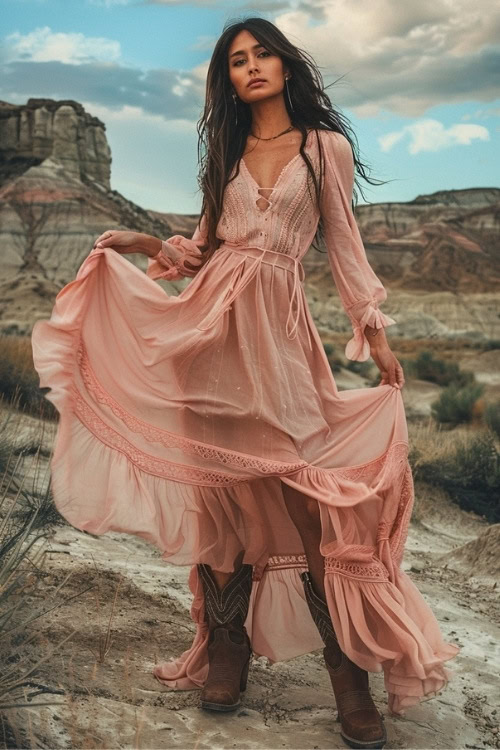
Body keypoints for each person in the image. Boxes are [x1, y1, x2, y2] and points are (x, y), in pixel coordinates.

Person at [31, 17, 459, 750]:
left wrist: (378, 337)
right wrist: (141, 243)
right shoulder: (226, 147)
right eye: (237, 60)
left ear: (287, 66)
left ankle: (347, 673)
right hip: (210, 335)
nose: (252, 67)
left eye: (263, 54)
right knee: (219, 496)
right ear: (226, 78)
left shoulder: (326, 148)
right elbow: (202, 248)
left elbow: (345, 249)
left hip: (281, 338)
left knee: (310, 497)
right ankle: (226, 650)